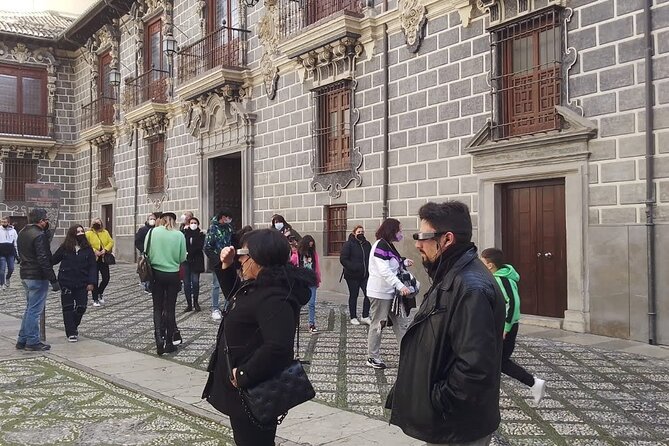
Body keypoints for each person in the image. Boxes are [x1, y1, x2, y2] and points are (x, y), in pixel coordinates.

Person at [386, 201, 505, 446]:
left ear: (447, 239)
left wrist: (437, 402)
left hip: (457, 426)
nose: (417, 243)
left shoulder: (471, 287)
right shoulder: (451, 274)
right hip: (450, 423)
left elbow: (475, 367)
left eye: (422, 236)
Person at [202, 229, 316, 446]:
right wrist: (226, 267)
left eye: (244, 254)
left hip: (256, 386)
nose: (241, 260)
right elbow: (239, 302)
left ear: (259, 257)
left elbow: (278, 346)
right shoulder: (260, 286)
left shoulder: (274, 295)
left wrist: (243, 374)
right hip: (244, 389)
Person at [481, 247, 547, 404]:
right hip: (498, 327)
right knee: (492, 361)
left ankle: (533, 383)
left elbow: (513, 303)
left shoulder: (501, 279)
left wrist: (506, 327)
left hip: (504, 329)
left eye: (482, 261)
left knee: (499, 362)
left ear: (490, 265)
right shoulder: (497, 277)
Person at [365, 218, 414, 369]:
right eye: (399, 230)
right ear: (391, 230)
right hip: (380, 293)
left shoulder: (388, 245)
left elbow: (394, 262)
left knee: (401, 323)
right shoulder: (380, 245)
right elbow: (384, 270)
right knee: (378, 324)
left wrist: (404, 262)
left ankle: (408, 356)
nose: (401, 233)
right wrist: (400, 286)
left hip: (392, 293)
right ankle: (372, 357)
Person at [15, 208, 58, 351]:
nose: (47, 222)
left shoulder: (22, 232)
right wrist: (53, 279)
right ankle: (32, 341)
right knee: (34, 311)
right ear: (41, 221)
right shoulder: (39, 235)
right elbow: (43, 259)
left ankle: (22, 339)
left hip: (25, 274)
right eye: (46, 220)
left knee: (29, 309)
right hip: (37, 276)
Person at [145, 212, 186, 355]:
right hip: (173, 274)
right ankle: (169, 342)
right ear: (173, 221)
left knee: (157, 307)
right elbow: (182, 257)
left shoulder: (152, 232)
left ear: (161, 220)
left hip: (156, 273)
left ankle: (158, 339)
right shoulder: (179, 235)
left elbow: (146, 252)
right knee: (170, 308)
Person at [52, 225, 97, 342]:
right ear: (72, 234)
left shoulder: (87, 249)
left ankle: (73, 326)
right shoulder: (65, 248)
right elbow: (53, 260)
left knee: (81, 307)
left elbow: (92, 266)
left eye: (82, 231)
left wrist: (92, 282)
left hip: (82, 282)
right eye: (78, 232)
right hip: (66, 281)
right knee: (68, 308)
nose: (81, 233)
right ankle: (71, 332)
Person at [204, 209, 234, 321]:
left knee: (229, 284)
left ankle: (227, 307)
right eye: (227, 218)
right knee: (216, 285)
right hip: (217, 261)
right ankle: (215, 308)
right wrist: (217, 260)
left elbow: (232, 241)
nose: (229, 220)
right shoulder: (213, 229)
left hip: (229, 260)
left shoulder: (229, 228)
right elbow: (207, 247)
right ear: (222, 218)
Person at [339, 225, 372, 325]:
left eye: (362, 231)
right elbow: (343, 259)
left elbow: (371, 258)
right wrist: (353, 267)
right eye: (359, 232)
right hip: (352, 276)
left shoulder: (367, 244)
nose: (361, 233)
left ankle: (365, 316)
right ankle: (353, 317)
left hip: (365, 275)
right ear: (354, 233)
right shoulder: (348, 244)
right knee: (354, 295)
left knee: (369, 294)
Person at [85, 217, 114, 307]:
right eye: (95, 223)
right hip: (93, 259)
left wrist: (105, 249)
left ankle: (99, 292)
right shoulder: (88, 233)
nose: (97, 224)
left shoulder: (105, 232)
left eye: (99, 223)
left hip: (103, 259)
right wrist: (94, 250)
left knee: (106, 278)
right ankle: (95, 299)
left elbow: (111, 242)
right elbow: (86, 244)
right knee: (95, 279)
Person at [295, 235, 321, 333]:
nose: (311, 244)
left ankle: (311, 323)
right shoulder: (298, 253)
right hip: (302, 280)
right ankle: (296, 321)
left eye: (312, 242)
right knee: (299, 303)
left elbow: (317, 267)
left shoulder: (313, 254)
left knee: (312, 303)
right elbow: (294, 263)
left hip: (312, 280)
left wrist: (318, 279)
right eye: (310, 242)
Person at [183, 216, 205, 312]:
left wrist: (189, 251)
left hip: (196, 261)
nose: (193, 224)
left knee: (195, 282)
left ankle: (196, 302)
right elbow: (182, 245)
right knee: (186, 283)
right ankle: (189, 304)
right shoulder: (184, 234)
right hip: (186, 261)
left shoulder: (201, 234)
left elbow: (199, 246)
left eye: (195, 223)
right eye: (191, 222)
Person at [135, 212, 159, 293]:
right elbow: (138, 241)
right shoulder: (142, 230)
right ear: (147, 220)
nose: (152, 221)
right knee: (145, 269)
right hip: (145, 252)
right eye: (151, 219)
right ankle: (147, 285)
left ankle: (153, 285)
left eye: (154, 219)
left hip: (155, 252)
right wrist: (143, 250)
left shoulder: (157, 229)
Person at [0, 216, 19, 289]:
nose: (3, 223)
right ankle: (2, 283)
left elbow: (16, 242)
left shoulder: (13, 231)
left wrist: (17, 253)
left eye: (5, 222)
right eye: (2, 222)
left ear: (8, 222)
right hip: (1, 252)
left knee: (11, 268)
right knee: (2, 269)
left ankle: (8, 278)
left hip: (10, 252)